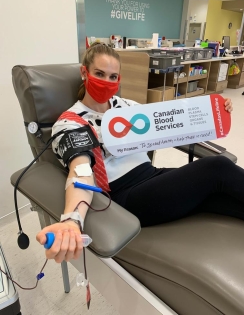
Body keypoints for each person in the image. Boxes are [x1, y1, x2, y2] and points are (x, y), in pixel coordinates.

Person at [37, 43, 242, 264]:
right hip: (124, 196)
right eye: (99, 74)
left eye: (113, 76)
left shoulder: (127, 107)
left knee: (216, 196)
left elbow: (175, 122)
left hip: (151, 176)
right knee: (217, 167)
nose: (106, 81)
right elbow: (80, 170)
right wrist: (72, 220)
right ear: (84, 73)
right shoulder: (71, 123)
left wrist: (216, 111)